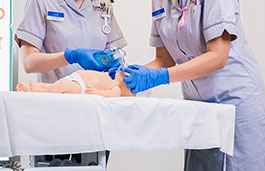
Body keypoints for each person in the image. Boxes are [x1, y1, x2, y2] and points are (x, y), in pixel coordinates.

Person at [120, 0, 265, 170]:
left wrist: (160, 77)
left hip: (235, 102)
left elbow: (218, 56)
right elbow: (164, 59)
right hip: (197, 106)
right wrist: (125, 75)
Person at [15, 0, 127, 166]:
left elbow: (117, 56)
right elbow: (29, 62)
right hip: (53, 115)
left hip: (93, 115)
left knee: (92, 166)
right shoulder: (41, 3)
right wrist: (70, 56)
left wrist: (117, 66)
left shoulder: (103, 5)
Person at [16, 70, 136, 98]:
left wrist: (97, 92)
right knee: (58, 85)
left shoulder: (116, 88)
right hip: (77, 78)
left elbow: (109, 95)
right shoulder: (110, 77)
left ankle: (40, 92)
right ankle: (37, 89)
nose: (123, 70)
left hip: (83, 86)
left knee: (62, 86)